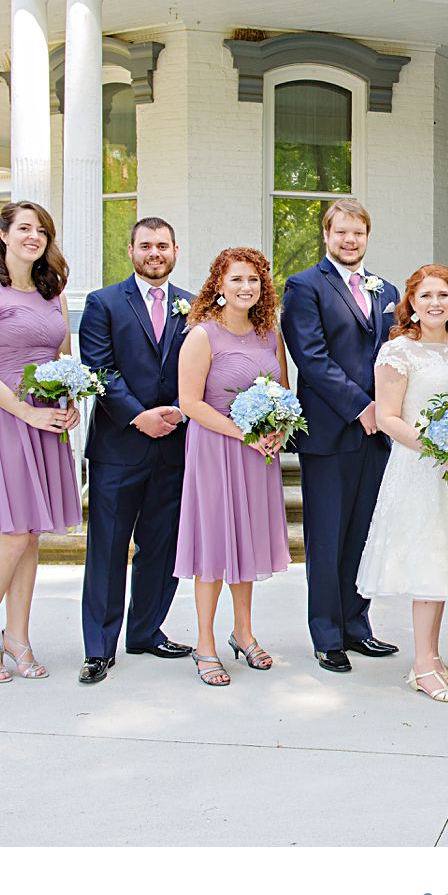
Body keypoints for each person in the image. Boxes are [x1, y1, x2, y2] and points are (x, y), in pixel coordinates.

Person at [356, 265, 448, 702]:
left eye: (443, 295)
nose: (435, 303)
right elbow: (388, 417)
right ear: (412, 304)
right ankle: (422, 665)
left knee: (445, 563)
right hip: (421, 468)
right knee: (428, 562)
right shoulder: (398, 352)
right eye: (425, 296)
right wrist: (436, 447)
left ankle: (432, 656)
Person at [0, 201, 80, 682]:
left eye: (42, 230)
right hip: (1, 418)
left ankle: (18, 638)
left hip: (45, 420)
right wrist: (24, 410)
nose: (34, 236)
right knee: (9, 536)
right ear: (3, 235)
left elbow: (62, 359)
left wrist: (69, 402)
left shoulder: (54, 294)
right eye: (24, 228)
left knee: (29, 537)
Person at [281, 199, 401, 673]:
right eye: (342, 232)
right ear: (326, 235)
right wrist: (361, 407)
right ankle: (327, 633)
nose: (350, 240)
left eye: (358, 233)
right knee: (327, 538)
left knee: (364, 535)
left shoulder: (387, 290)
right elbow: (311, 358)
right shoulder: (304, 286)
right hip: (331, 433)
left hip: (378, 434)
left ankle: (357, 625)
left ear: (367, 236)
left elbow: (396, 354)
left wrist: (387, 411)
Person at [76, 217, 194, 685]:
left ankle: (146, 631)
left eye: (162, 245)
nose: (154, 253)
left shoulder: (194, 306)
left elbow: (203, 369)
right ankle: (98, 648)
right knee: (107, 548)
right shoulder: (103, 303)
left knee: (161, 546)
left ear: (175, 250)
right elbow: (99, 369)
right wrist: (137, 416)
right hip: (119, 446)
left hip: (174, 445)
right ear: (130, 251)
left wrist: (181, 410)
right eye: (146, 245)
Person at [173, 248, 292, 686]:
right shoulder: (202, 335)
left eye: (254, 280)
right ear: (218, 285)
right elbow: (190, 403)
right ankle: (204, 644)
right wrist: (243, 433)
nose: (246, 287)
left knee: (247, 543)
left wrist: (279, 430)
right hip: (215, 449)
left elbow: (284, 393)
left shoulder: (269, 334)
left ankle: (243, 632)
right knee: (213, 547)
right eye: (237, 279)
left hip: (258, 454)